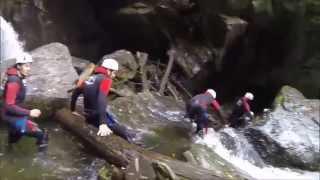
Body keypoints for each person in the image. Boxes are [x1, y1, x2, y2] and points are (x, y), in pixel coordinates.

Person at [70, 58, 134, 142]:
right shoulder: (106, 80)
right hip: (96, 117)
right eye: (114, 72)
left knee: (114, 120)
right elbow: (101, 99)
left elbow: (76, 92)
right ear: (108, 70)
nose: (114, 75)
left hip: (88, 115)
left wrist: (72, 109)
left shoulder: (89, 78)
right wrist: (102, 123)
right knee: (127, 134)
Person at [1, 53, 48, 151]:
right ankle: (42, 161)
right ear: (18, 66)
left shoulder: (16, 76)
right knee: (42, 134)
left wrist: (27, 110)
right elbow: (9, 105)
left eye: (29, 66)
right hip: (11, 115)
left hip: (11, 114)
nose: (29, 68)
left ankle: (9, 151)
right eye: (26, 66)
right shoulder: (14, 81)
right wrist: (29, 112)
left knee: (14, 137)